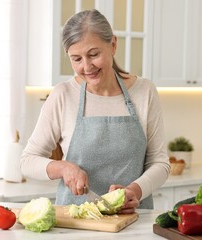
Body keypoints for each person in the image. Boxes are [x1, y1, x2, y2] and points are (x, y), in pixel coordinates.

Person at [20, 9, 170, 213]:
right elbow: (27, 161)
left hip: (132, 221)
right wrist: (64, 168)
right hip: (75, 223)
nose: (86, 66)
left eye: (94, 54)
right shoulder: (63, 95)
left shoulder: (144, 92)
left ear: (113, 45)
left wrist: (135, 190)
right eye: (76, 59)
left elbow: (159, 162)